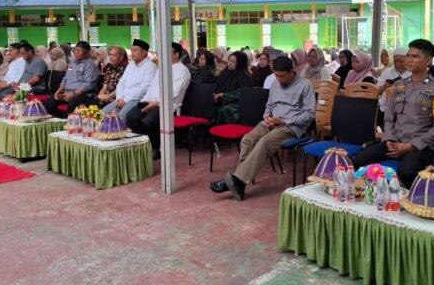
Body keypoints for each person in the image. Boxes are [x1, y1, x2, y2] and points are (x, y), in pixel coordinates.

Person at [210, 56, 316, 200]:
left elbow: (310, 114)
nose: (279, 79)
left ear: (291, 71)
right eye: (276, 75)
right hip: (272, 121)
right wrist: (267, 117)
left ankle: (238, 181)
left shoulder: (305, 85)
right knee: (247, 139)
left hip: (291, 126)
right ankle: (239, 182)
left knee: (265, 142)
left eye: (282, 76)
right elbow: (269, 106)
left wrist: (284, 121)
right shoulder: (275, 83)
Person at [352, 39, 434, 188]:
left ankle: (416, 197)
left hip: (421, 147)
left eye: (415, 56)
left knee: (406, 172)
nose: (409, 59)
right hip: (394, 142)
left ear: (428, 60)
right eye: (408, 55)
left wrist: (411, 146)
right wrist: (389, 139)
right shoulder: (398, 85)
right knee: (358, 160)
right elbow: (389, 118)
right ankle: (375, 194)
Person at [126, 42, 191, 159]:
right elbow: (152, 87)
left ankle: (156, 148)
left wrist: (155, 103)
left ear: (176, 55)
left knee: (149, 121)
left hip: (168, 104)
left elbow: (174, 93)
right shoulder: (162, 68)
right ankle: (145, 144)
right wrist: (146, 100)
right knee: (131, 117)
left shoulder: (182, 71)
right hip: (151, 101)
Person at [43, 41, 100, 118]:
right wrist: (57, 92)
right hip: (68, 92)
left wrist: (73, 94)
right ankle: (61, 119)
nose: (76, 52)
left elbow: (88, 84)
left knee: (72, 104)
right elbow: (66, 79)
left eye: (80, 51)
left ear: (87, 53)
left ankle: (71, 121)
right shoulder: (73, 62)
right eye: (75, 50)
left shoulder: (90, 65)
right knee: (48, 102)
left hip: (84, 94)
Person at [103, 39, 156, 118]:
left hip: (137, 99)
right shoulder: (131, 65)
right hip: (122, 98)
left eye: (135, 50)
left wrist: (125, 100)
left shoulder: (150, 67)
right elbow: (121, 83)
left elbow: (144, 89)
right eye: (132, 50)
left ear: (144, 52)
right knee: (103, 113)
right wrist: (119, 98)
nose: (132, 53)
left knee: (121, 116)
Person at [213, 51, 252, 125]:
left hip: (236, 103)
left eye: (233, 62)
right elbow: (217, 86)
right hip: (221, 100)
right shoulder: (225, 72)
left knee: (224, 110)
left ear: (240, 64)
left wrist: (223, 94)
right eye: (229, 60)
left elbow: (242, 93)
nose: (230, 63)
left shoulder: (245, 76)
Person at [0, 43, 25, 109]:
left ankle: (4, 108)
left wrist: (5, 85)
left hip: (14, 86)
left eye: (11, 51)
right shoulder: (13, 62)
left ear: (17, 50)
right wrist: (2, 84)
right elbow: (6, 77)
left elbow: (17, 79)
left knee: (1, 94)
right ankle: (1, 108)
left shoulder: (23, 62)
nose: (10, 53)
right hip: (6, 84)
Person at [377, 47, 411, 114]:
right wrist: (384, 87)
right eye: (395, 61)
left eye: (401, 61)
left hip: (406, 110)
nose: (398, 63)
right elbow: (377, 91)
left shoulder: (413, 73)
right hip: (385, 109)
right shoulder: (387, 72)